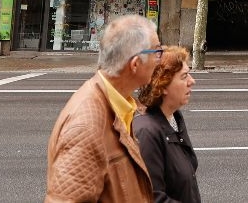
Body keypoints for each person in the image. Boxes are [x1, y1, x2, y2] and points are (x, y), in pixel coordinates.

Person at [46, 14, 162, 203]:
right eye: (156, 51)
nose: (160, 59)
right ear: (135, 64)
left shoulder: (119, 105)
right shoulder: (87, 127)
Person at [133, 46, 201, 203]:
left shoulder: (174, 119)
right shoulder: (146, 132)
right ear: (162, 85)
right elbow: (151, 197)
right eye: (184, 76)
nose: (192, 81)